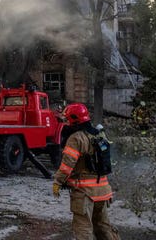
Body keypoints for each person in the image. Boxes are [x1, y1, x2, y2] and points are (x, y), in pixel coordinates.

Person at [52, 103, 119, 240]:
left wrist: (58, 182)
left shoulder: (76, 138)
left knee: (83, 229)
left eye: (67, 119)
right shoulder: (99, 134)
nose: (66, 123)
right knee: (103, 227)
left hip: (85, 193)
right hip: (103, 191)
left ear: (74, 119)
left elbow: (67, 165)